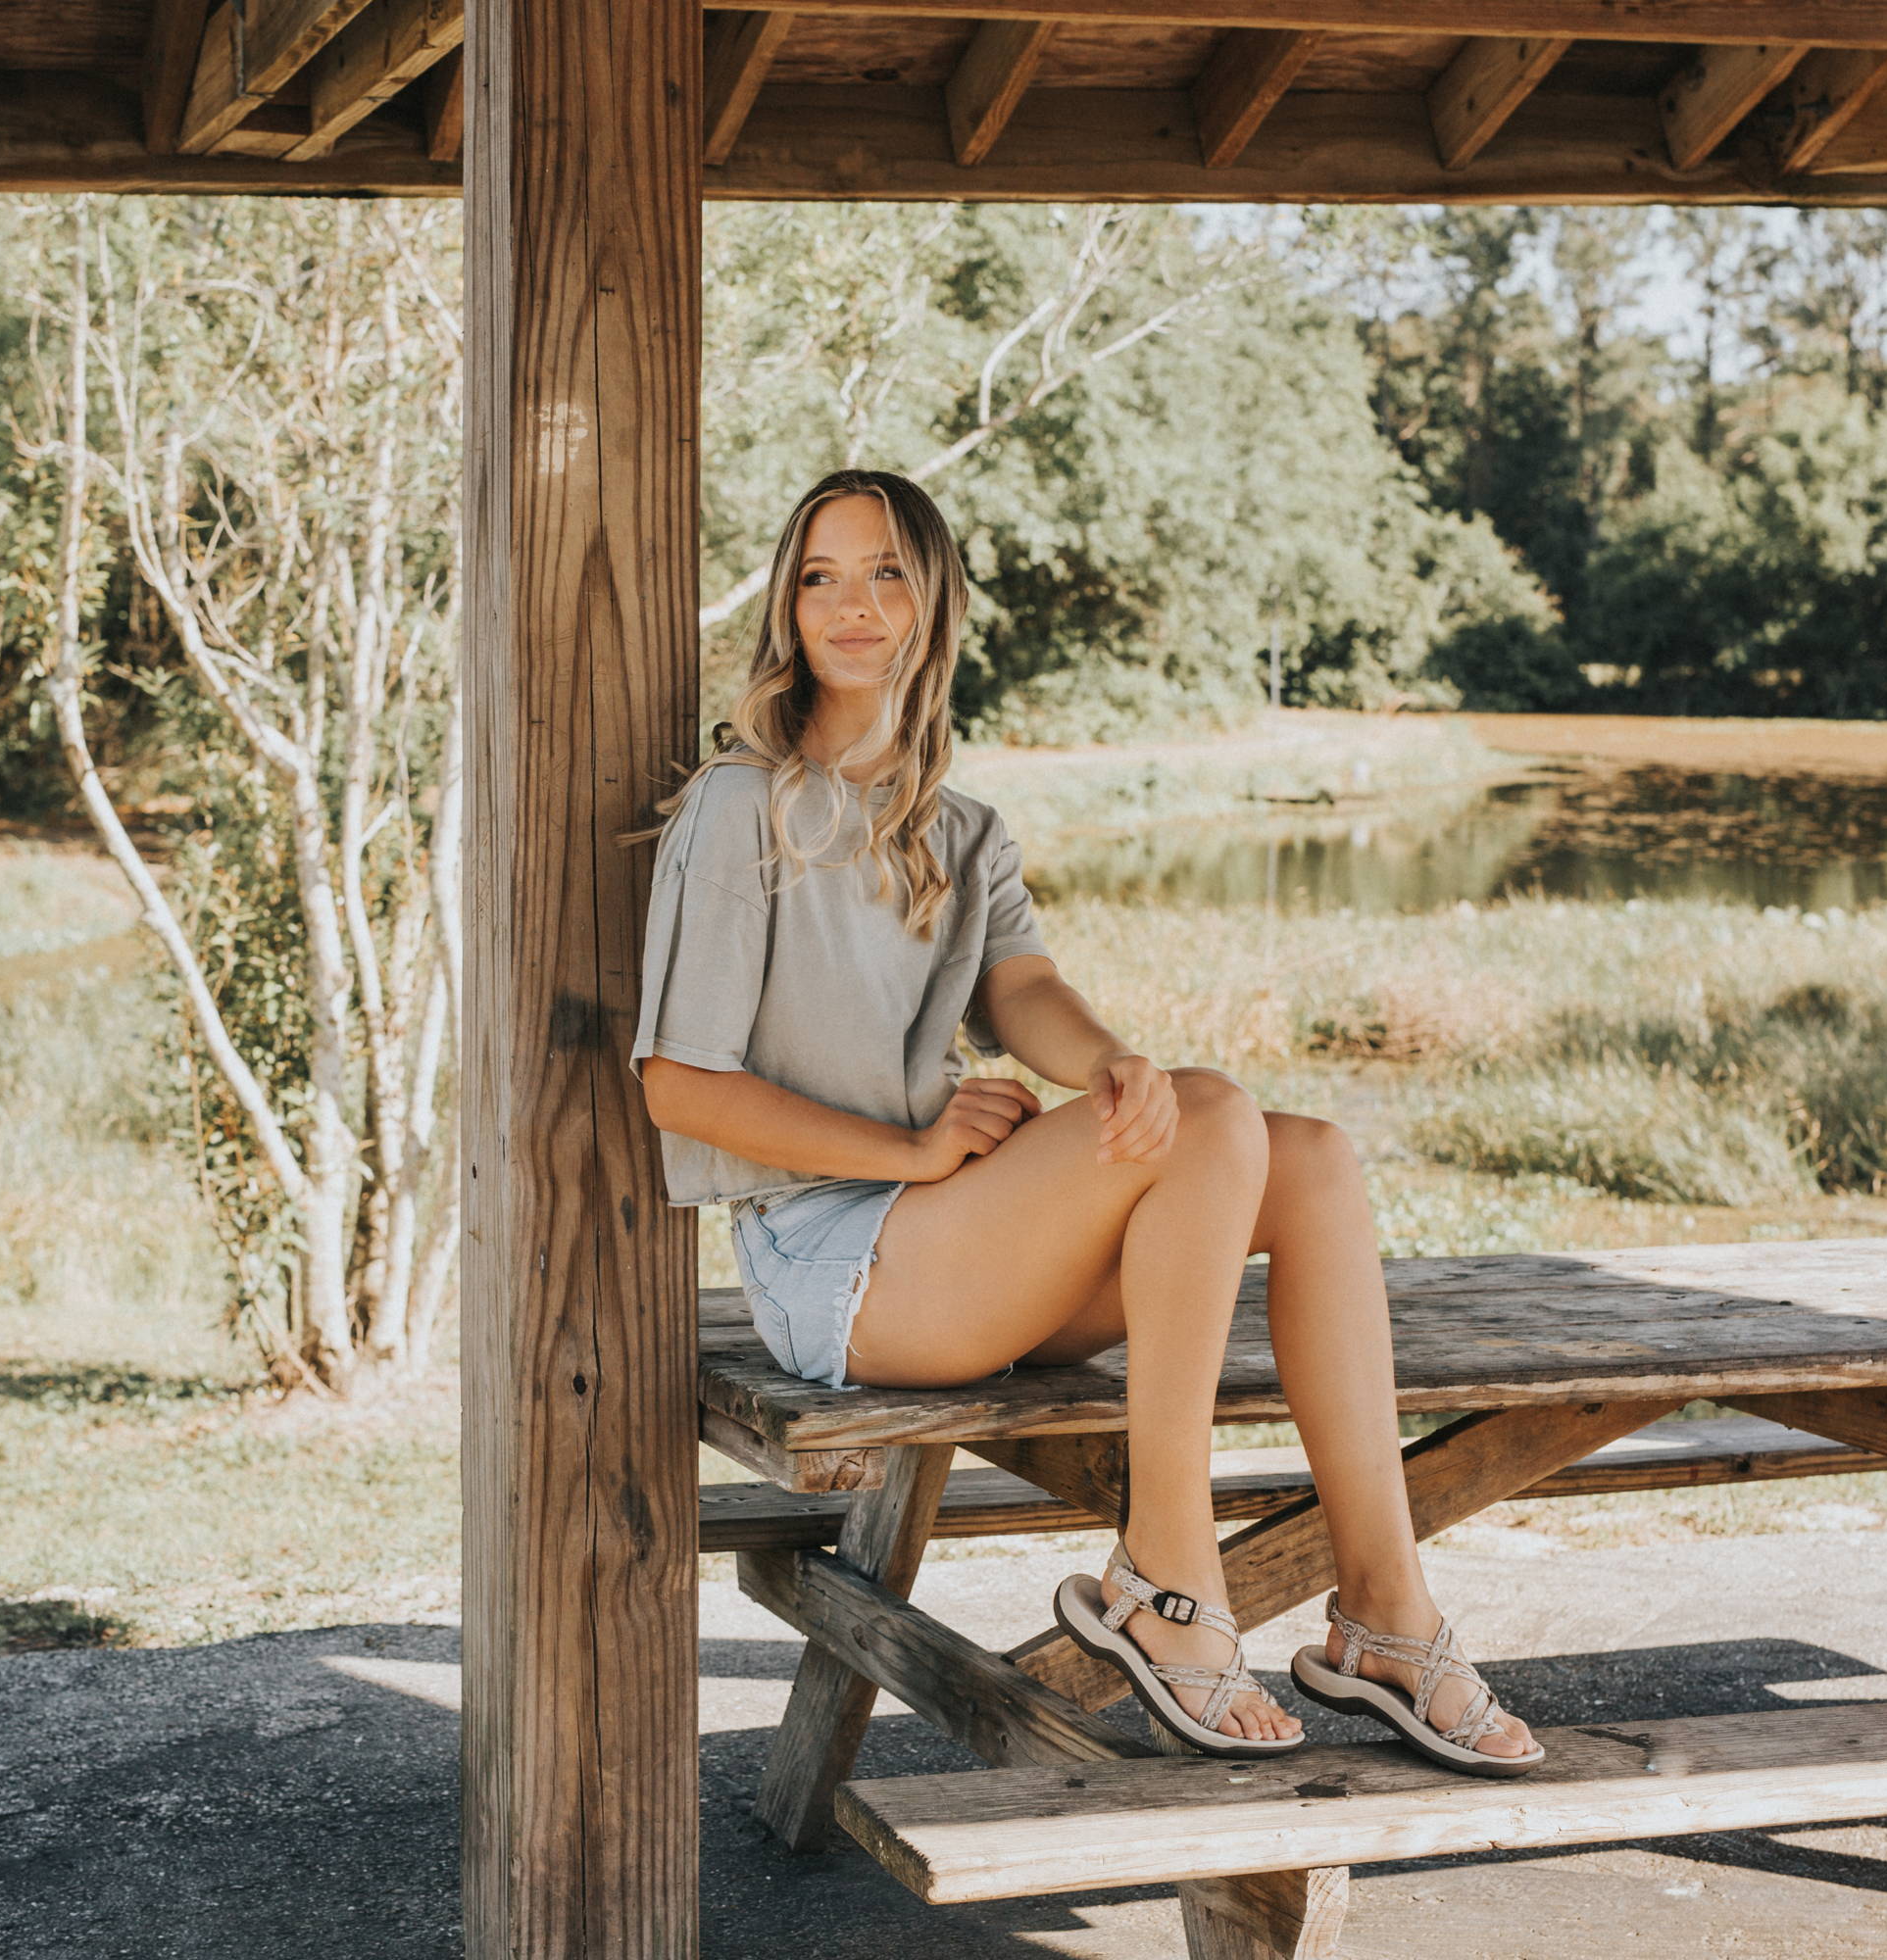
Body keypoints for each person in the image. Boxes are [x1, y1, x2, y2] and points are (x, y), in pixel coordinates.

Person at [629, 468, 1538, 1773]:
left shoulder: (960, 827)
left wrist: (1111, 1064)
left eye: (886, 572)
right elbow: (679, 1082)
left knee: (1312, 1161)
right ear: (788, 607)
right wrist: (912, 1148)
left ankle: (1386, 1616)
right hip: (834, 1267)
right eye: (820, 576)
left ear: (933, 602)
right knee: (1218, 1118)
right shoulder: (740, 810)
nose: (852, 604)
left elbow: (1026, 989)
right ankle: (1163, 1578)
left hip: (954, 1244)